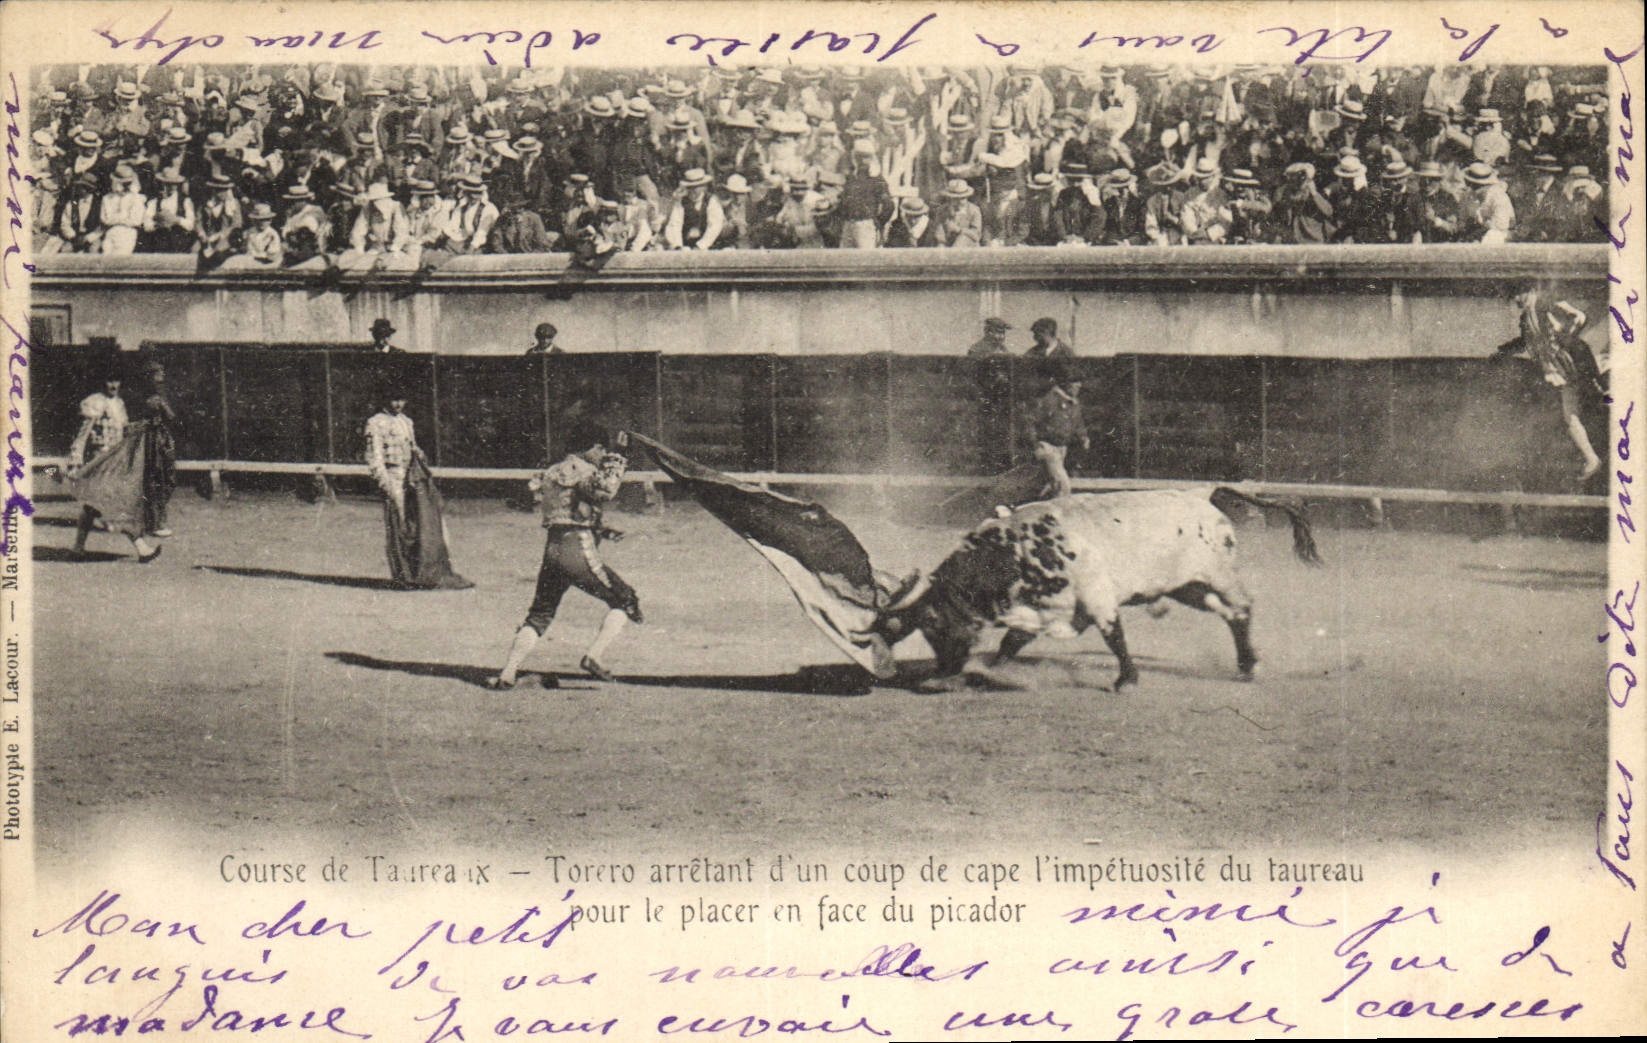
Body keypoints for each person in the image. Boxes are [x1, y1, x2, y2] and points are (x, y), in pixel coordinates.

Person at [487, 427, 643, 689]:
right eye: (601, 449)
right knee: (626, 599)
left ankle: (508, 673)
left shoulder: (551, 472)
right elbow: (607, 489)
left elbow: (568, 511)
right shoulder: (584, 470)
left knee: (539, 614)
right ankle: (594, 656)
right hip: (577, 550)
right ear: (591, 447)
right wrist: (619, 455)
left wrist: (602, 530)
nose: (602, 454)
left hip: (552, 551)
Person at [1492, 285, 1606, 480]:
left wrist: (1563, 337)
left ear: (1530, 291)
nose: (1517, 300)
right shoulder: (1526, 318)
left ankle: (1608, 450)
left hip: (1574, 361)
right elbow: (1526, 342)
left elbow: (1579, 316)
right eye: (1514, 296)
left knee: (1598, 397)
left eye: (1519, 294)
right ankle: (1592, 459)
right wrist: (1504, 350)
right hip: (1559, 369)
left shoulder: (1546, 302)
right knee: (1570, 415)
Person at [364, 389, 471, 589]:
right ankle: (404, 577)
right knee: (401, 526)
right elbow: (375, 458)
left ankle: (428, 573)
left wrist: (419, 456)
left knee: (425, 523)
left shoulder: (406, 421)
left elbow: (413, 448)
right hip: (394, 477)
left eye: (401, 399)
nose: (398, 404)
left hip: (412, 477)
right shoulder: (375, 423)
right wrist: (386, 485)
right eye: (394, 398)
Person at [68, 374, 161, 562]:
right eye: (110, 380)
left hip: (116, 461)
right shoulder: (94, 402)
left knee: (95, 505)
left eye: (117, 380)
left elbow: (123, 431)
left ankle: (78, 548)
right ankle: (141, 548)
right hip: (99, 460)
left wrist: (141, 428)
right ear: (103, 382)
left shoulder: (119, 403)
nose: (114, 385)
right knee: (114, 502)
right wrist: (75, 459)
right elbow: (83, 433)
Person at [1026, 363, 1089, 498]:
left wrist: (1084, 437)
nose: (1079, 386)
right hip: (1048, 447)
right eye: (1075, 382)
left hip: (1062, 448)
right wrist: (1035, 445)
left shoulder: (1074, 403)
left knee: (1053, 484)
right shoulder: (1050, 400)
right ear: (1065, 383)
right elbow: (1030, 421)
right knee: (1063, 485)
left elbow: (1078, 423)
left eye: (1079, 382)